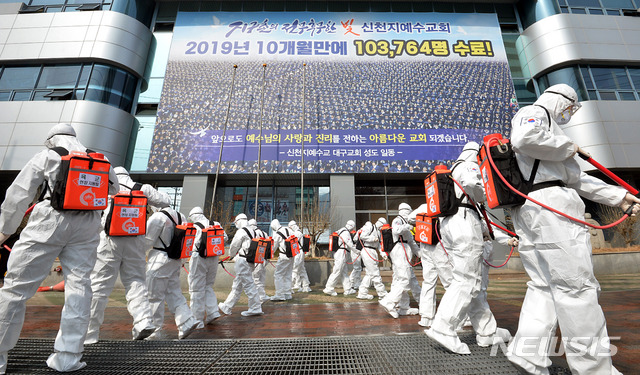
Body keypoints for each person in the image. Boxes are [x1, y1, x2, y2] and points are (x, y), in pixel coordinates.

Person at [507, 84, 640, 374]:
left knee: (544, 285)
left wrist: (619, 197)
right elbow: (524, 137)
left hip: (536, 207)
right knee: (576, 288)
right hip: (550, 209)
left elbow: (577, 180)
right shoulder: (535, 113)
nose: (570, 113)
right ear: (561, 100)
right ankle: (594, 368)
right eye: (571, 106)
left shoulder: (550, 132)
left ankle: (528, 354)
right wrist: (571, 147)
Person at [0, 123, 118, 373]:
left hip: (50, 220)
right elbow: (113, 189)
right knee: (80, 286)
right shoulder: (99, 158)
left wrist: (5, 230)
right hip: (87, 224)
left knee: (16, 288)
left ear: (51, 139)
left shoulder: (48, 155)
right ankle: (67, 357)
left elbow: (18, 194)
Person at [425, 142, 512, 354]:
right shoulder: (469, 165)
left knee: (470, 280)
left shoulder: (453, 170)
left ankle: (487, 331)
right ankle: (444, 327)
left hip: (452, 225)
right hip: (465, 223)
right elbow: (474, 185)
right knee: (467, 280)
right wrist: (489, 193)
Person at [85, 167, 171, 344]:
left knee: (99, 286)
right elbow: (166, 201)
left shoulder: (106, 186)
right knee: (136, 281)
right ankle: (143, 321)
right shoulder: (142, 188)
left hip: (108, 239)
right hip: (135, 238)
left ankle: (90, 334)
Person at [144, 206, 199, 340]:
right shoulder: (181, 216)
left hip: (159, 259)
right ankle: (186, 322)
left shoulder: (158, 217)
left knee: (154, 296)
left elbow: (146, 240)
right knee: (175, 294)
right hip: (175, 260)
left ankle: (154, 331)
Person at [408, 204, 454, 328]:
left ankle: (426, 317)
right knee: (449, 282)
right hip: (439, 246)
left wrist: (425, 222)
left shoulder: (424, 206)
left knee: (428, 282)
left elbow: (411, 218)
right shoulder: (444, 207)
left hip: (425, 245)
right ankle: (453, 317)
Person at [187, 207, 227, 328]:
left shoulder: (195, 226)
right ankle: (212, 311)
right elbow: (225, 238)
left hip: (199, 258)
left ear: (193, 216)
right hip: (213, 256)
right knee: (207, 286)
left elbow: (189, 243)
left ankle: (197, 320)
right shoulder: (216, 224)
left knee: (196, 289)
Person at [379, 203, 420, 318]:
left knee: (406, 278)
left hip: (405, 251)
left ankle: (404, 307)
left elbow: (412, 242)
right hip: (399, 251)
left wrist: (420, 254)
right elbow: (396, 230)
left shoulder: (406, 223)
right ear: (404, 211)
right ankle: (389, 302)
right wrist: (407, 227)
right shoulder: (398, 220)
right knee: (404, 278)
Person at [218, 214, 264, 316]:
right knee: (237, 285)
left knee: (248, 285)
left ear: (239, 221)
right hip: (250, 260)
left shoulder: (241, 231)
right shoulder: (253, 231)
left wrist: (231, 255)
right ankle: (227, 306)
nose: (235, 224)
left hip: (243, 261)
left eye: (235, 222)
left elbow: (234, 245)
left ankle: (255, 307)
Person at [355, 218, 388, 300]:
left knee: (369, 274)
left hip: (373, 251)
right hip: (367, 250)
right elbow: (362, 236)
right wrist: (372, 238)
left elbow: (379, 245)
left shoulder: (379, 232)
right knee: (375, 273)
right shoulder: (369, 227)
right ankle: (382, 293)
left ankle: (362, 293)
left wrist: (383, 254)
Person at [323, 220, 356, 296]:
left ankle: (348, 289)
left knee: (344, 272)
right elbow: (350, 243)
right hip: (341, 253)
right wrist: (357, 251)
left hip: (340, 252)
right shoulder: (345, 232)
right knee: (337, 271)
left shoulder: (340, 230)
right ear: (351, 226)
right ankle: (329, 288)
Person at [270, 219, 295, 301]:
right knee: (288, 274)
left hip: (284, 256)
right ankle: (287, 293)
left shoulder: (277, 234)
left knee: (278, 275)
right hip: (292, 255)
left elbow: (273, 247)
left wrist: (268, 255)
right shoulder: (288, 229)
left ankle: (279, 294)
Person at [248, 219, 270, 303]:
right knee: (261, 277)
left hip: (256, 258)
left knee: (255, 278)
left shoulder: (252, 233)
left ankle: (260, 296)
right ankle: (262, 294)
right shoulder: (264, 233)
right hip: (264, 258)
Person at [290, 220, 312, 293]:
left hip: (298, 252)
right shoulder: (300, 232)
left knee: (294, 269)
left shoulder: (296, 233)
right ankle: (306, 286)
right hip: (300, 252)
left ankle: (289, 287)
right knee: (302, 269)